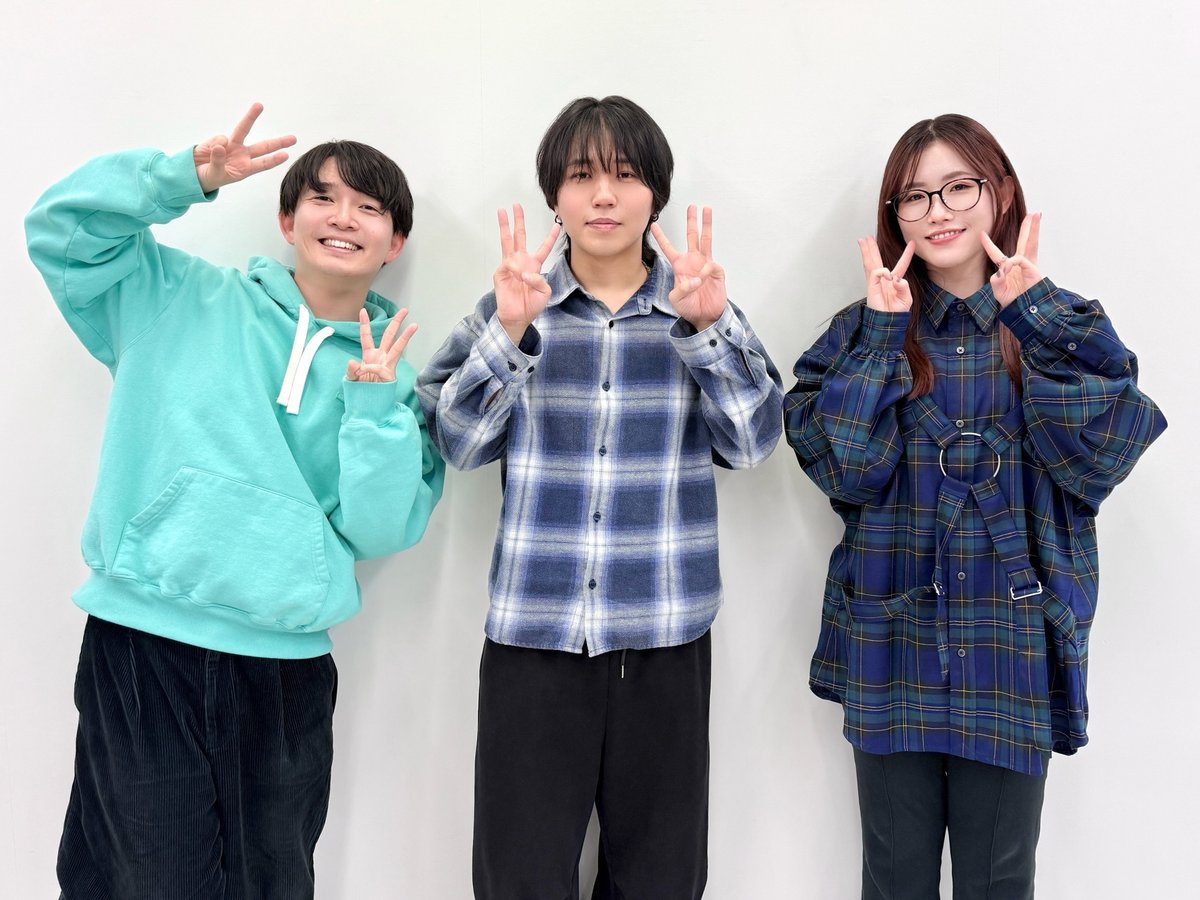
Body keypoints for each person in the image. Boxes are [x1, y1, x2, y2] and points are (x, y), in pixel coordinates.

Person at [26, 103, 444, 899]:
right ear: (287, 221)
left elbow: (382, 528)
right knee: (138, 880)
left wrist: (369, 405)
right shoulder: (178, 295)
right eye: (323, 197)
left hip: (284, 670)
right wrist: (178, 177)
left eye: (369, 206)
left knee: (271, 884)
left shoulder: (391, 376)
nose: (343, 217)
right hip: (143, 642)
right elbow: (60, 231)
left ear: (394, 244)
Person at [783, 114, 1166, 898]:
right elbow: (848, 473)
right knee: (894, 879)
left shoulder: (1061, 328)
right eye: (914, 196)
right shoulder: (859, 335)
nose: (937, 211)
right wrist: (884, 339)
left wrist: (1033, 312)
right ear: (894, 215)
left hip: (1010, 646)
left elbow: (1099, 459)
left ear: (1001, 194)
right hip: (891, 643)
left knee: (999, 881)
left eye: (959, 187)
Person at [418, 95, 782, 899]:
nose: (605, 195)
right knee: (519, 879)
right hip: (534, 637)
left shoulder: (700, 303)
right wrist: (511, 335)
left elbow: (755, 445)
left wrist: (707, 333)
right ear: (556, 195)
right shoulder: (511, 304)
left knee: (660, 881)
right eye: (583, 176)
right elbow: (459, 446)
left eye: (625, 175)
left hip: (665, 636)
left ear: (656, 193)